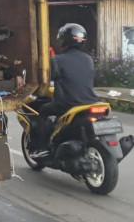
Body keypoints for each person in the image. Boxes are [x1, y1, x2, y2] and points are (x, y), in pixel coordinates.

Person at [36, 23, 99, 151]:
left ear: (64, 40)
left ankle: (41, 147)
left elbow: (46, 81)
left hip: (67, 104)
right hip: (90, 102)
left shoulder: (57, 60)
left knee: (42, 111)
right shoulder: (88, 59)